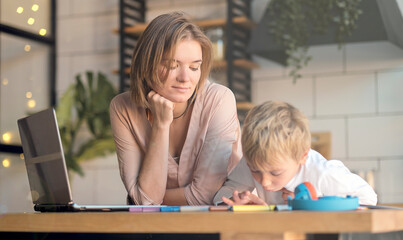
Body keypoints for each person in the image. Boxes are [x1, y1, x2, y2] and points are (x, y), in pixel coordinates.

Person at [109, 12, 242, 206]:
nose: (185, 78)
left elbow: (202, 197)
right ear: (146, 64)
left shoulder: (219, 100)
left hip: (225, 224)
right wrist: (161, 125)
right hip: (159, 229)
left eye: (194, 67)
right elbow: (145, 201)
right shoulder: (122, 108)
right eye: (172, 65)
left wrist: (149, 198)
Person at [213, 101, 377, 206]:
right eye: (255, 171)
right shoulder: (254, 161)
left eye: (275, 172)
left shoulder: (323, 173)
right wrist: (238, 203)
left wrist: (314, 204)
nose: (265, 182)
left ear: (302, 156)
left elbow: (368, 198)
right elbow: (223, 195)